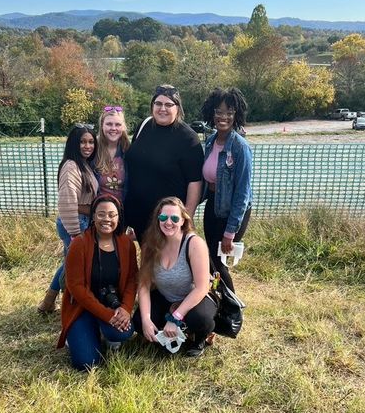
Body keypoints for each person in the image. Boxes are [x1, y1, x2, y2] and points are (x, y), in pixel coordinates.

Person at [57, 194, 138, 371]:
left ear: (119, 217)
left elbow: (132, 280)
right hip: (82, 307)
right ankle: (81, 332)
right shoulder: (79, 244)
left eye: (112, 214)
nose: (106, 219)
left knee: (123, 332)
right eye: (101, 214)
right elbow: (76, 288)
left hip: (112, 304)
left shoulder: (126, 244)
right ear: (93, 216)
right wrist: (107, 316)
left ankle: (106, 334)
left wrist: (125, 308)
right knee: (87, 363)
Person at [133, 197, 217, 358]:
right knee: (137, 322)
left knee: (200, 320)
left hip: (194, 298)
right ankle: (169, 331)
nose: (168, 222)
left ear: (183, 220)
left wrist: (175, 318)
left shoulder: (194, 243)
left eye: (174, 218)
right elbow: (143, 285)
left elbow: (202, 287)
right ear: (157, 219)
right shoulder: (149, 245)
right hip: (166, 296)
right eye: (163, 217)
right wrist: (146, 319)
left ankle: (200, 337)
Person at [124, 85, 204, 242]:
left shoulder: (188, 139)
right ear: (152, 105)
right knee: (148, 262)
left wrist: (185, 219)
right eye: (158, 103)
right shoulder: (144, 125)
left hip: (166, 221)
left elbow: (195, 183)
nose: (162, 109)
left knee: (165, 264)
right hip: (139, 216)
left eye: (169, 104)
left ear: (178, 108)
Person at [37, 124, 98, 313]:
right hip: (75, 223)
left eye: (90, 142)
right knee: (74, 265)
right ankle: (68, 303)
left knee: (68, 262)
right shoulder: (71, 166)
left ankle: (49, 300)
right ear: (73, 143)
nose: (87, 146)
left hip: (82, 222)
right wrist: (75, 233)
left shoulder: (83, 164)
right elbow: (67, 201)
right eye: (82, 142)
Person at [201, 87, 253, 291]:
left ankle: (233, 308)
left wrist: (230, 231)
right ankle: (218, 301)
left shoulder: (240, 147)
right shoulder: (210, 141)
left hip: (232, 211)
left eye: (229, 112)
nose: (223, 117)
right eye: (218, 112)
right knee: (211, 259)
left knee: (220, 261)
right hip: (213, 207)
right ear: (211, 113)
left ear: (236, 115)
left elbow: (243, 193)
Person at [95, 106, 130, 203]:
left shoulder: (129, 152)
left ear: (123, 127)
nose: (113, 128)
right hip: (98, 210)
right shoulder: (93, 151)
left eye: (118, 124)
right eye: (109, 124)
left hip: (122, 211)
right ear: (102, 125)